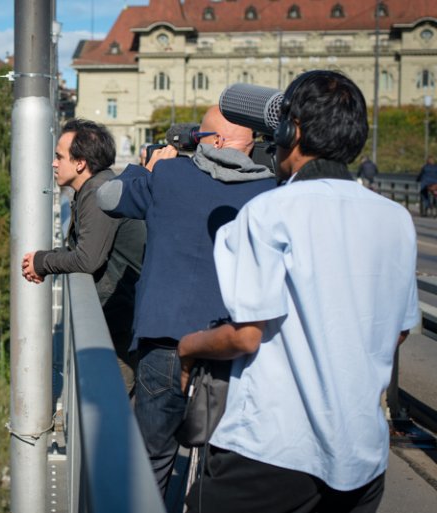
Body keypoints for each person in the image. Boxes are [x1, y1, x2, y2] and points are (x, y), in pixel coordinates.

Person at [178, 70, 419, 513]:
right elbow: (398, 332)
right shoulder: (395, 219)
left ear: (293, 131)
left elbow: (245, 335)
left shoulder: (268, 213)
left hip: (272, 450)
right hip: (363, 458)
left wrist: (188, 347)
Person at [96, 106, 275, 497]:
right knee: (222, 463)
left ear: (218, 141)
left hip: (165, 340)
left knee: (152, 458)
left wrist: (147, 167)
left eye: (200, 137)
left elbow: (108, 198)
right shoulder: (270, 193)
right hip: (233, 345)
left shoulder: (169, 174)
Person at [21, 119, 146, 395]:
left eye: (59, 157)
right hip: (122, 318)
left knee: (115, 400)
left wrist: (42, 262)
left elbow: (88, 259)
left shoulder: (100, 193)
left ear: (80, 163)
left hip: (124, 322)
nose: (53, 164)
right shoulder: (95, 188)